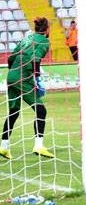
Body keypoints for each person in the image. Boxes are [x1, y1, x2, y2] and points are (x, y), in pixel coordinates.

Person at [0, 17, 54, 159]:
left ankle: (4, 147)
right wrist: (36, 78)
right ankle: (38, 145)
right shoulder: (44, 41)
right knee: (41, 110)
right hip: (23, 77)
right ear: (47, 29)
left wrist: (14, 75)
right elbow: (36, 58)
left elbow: (11, 58)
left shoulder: (26, 39)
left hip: (11, 76)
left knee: (13, 112)